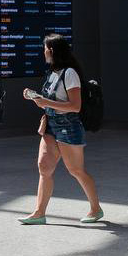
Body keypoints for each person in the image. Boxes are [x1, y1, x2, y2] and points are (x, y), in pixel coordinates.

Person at [18, 34, 102, 225]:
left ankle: (96, 209)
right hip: (50, 125)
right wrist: (36, 97)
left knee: (76, 170)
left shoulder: (69, 73)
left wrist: (45, 102)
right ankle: (39, 212)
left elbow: (75, 106)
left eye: (45, 48)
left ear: (51, 50)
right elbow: (52, 100)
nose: (43, 52)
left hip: (68, 127)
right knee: (44, 166)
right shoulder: (52, 72)